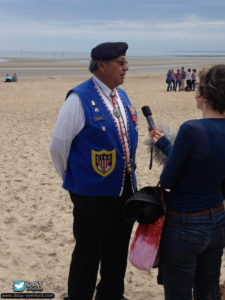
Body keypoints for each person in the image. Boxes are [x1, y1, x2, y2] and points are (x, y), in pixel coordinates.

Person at [50, 42, 138, 300]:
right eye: (121, 62)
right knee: (88, 252)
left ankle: (111, 294)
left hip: (124, 190)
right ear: (101, 64)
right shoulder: (78, 98)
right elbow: (58, 147)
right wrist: (77, 180)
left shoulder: (121, 96)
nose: (126, 68)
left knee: (117, 249)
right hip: (91, 196)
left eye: (125, 62)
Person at [150, 64, 225, 300]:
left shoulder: (192, 129)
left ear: (203, 94)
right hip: (217, 220)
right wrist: (165, 144)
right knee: (208, 291)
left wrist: (169, 150)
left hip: (186, 223)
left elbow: (168, 179)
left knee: (179, 293)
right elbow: (207, 163)